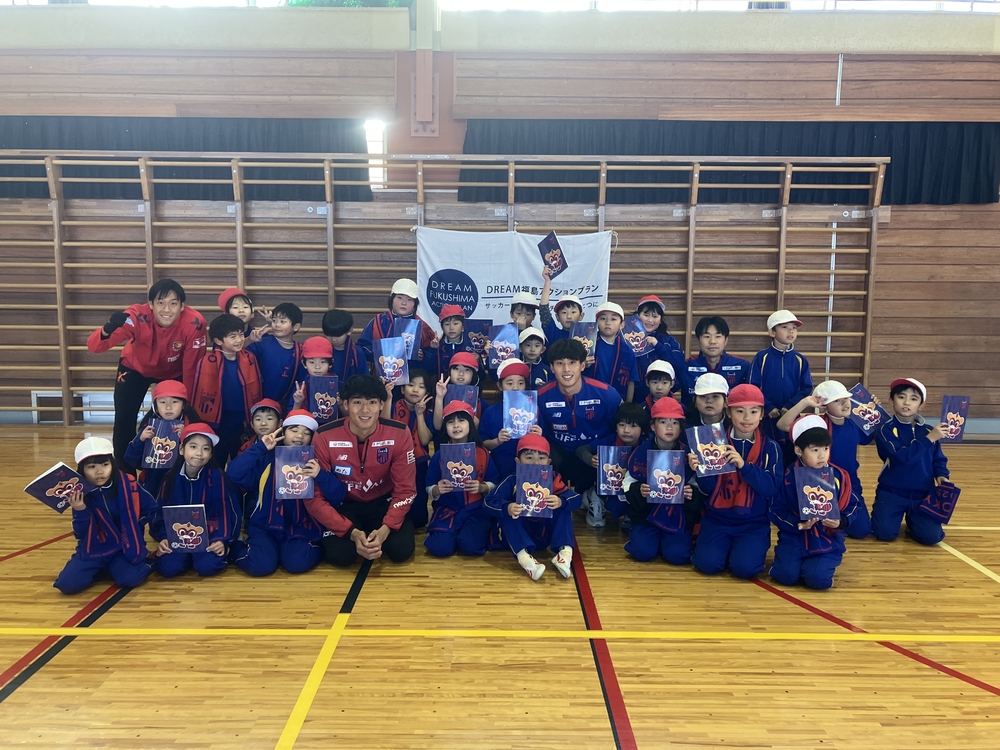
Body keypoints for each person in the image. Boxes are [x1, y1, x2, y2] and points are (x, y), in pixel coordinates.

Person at [86, 278, 207, 469]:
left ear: (182, 306)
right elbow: (95, 347)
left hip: (173, 371)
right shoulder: (135, 316)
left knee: (175, 418)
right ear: (150, 304)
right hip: (135, 367)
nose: (166, 310)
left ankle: (173, 470)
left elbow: (192, 368)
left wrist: (188, 406)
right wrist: (108, 328)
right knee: (124, 419)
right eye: (160, 303)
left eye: (173, 304)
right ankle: (125, 473)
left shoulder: (194, 323)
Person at [305, 374, 417, 567]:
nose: (365, 410)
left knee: (401, 550)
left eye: (372, 402)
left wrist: (385, 529)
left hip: (383, 502)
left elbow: (406, 490)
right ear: (345, 404)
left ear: (381, 404)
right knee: (341, 556)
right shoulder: (324, 436)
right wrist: (352, 533)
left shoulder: (399, 433)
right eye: (357, 402)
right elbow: (314, 496)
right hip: (344, 504)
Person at [690, 384, 783, 580]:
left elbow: (771, 488)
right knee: (707, 565)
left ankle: (740, 550)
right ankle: (720, 548)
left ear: (762, 414)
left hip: (754, 522)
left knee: (745, 569)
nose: (747, 418)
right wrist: (699, 470)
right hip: (717, 519)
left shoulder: (771, 448)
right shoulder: (712, 443)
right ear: (728, 412)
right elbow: (708, 490)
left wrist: (744, 467)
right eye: (740, 411)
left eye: (753, 411)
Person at [228, 410, 327, 577]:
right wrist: (260, 448)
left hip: (299, 526)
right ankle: (238, 545)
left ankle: (287, 551)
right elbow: (234, 474)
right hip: (265, 525)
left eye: (306, 432)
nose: (299, 436)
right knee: (261, 566)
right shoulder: (267, 458)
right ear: (283, 431)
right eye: (294, 430)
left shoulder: (315, 462)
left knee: (297, 563)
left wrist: (321, 475)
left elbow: (337, 494)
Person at [53, 437, 157, 594]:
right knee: (67, 584)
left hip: (123, 547)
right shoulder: (79, 494)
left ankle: (128, 565)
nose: (100, 472)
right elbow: (81, 533)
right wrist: (80, 510)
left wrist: (135, 528)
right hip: (93, 548)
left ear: (112, 464)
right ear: (82, 470)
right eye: (92, 467)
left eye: (105, 465)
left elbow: (151, 508)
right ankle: (104, 568)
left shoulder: (128, 484)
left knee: (131, 578)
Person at [777, 380, 875, 539]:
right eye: (837, 401)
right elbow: (782, 425)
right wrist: (805, 402)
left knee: (862, 530)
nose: (845, 403)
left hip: (848, 483)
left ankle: (836, 521)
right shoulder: (817, 424)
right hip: (819, 483)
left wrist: (873, 407)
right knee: (817, 528)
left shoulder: (855, 424)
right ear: (824, 406)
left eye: (846, 398)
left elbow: (872, 431)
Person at [768, 415, 857, 590]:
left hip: (827, 537)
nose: (822, 455)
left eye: (826, 448)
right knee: (786, 575)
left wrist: (841, 522)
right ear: (798, 450)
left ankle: (819, 568)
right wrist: (798, 524)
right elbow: (776, 509)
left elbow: (854, 504)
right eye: (815, 450)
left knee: (817, 579)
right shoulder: (788, 476)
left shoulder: (840, 476)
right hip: (794, 537)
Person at [483, 434, 582, 581]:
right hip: (518, 537)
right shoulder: (512, 480)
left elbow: (576, 499)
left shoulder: (553, 479)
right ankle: (526, 561)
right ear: (518, 461)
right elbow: (488, 502)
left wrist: (561, 501)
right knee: (509, 514)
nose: (535, 463)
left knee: (563, 507)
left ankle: (564, 555)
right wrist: (507, 507)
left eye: (541, 458)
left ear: (549, 462)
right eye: (529, 457)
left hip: (544, 535)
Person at [536, 338, 623, 503]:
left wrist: (592, 450)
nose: (566, 369)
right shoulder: (539, 396)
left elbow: (621, 431)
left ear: (582, 365)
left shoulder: (607, 394)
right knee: (537, 453)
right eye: (560, 363)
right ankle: (544, 502)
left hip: (593, 452)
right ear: (552, 367)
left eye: (572, 362)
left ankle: (597, 498)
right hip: (560, 453)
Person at [152, 423, 242, 578]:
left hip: (209, 536)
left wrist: (222, 540)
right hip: (178, 537)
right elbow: (159, 514)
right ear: (181, 449)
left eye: (206, 449)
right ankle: (184, 558)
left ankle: (203, 556)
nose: (199, 453)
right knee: (168, 568)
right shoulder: (169, 479)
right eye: (193, 447)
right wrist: (163, 538)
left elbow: (228, 512)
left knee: (207, 566)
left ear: (211, 454)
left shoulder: (218, 477)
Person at [872, 377, 950, 546]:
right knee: (884, 533)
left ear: (921, 405)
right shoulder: (885, 429)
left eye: (914, 399)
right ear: (891, 400)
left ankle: (914, 523)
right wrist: (929, 439)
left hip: (923, 494)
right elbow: (901, 457)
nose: (906, 402)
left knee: (932, 537)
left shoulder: (929, 431)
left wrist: (942, 476)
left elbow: (938, 459)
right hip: (892, 492)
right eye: (901, 397)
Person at [622, 398, 695, 565]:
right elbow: (628, 482)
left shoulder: (688, 453)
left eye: (675, 423)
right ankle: (642, 538)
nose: (669, 427)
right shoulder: (641, 452)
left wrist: (692, 492)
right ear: (653, 426)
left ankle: (667, 543)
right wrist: (639, 490)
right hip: (647, 516)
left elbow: (696, 483)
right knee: (642, 552)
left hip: (678, 515)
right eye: (663, 422)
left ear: (681, 427)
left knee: (677, 556)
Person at [424, 402, 499, 558]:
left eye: (461, 420)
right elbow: (429, 484)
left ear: (470, 424)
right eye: (450, 422)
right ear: (445, 427)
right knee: (440, 548)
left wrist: (482, 487)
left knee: (470, 546)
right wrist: (437, 490)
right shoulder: (439, 455)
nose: (456, 425)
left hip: (476, 510)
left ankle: (468, 534)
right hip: (448, 508)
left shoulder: (483, 453)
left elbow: (493, 481)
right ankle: (449, 535)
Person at [190, 313, 262, 463]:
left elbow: (256, 386)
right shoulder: (207, 361)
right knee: (217, 460)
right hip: (218, 420)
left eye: (241, 334)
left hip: (242, 418)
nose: (239, 339)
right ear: (218, 340)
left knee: (241, 459)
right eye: (233, 336)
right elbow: (199, 392)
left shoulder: (249, 358)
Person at [748, 310, 813, 458]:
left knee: (792, 451)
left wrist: (791, 406)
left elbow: (806, 388)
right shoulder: (761, 357)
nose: (791, 331)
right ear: (772, 332)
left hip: (792, 415)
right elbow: (752, 386)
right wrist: (767, 406)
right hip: (767, 417)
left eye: (794, 328)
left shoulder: (800, 359)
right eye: (784, 327)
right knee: (768, 450)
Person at [578, 402, 649, 528]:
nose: (626, 430)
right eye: (621, 425)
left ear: (643, 430)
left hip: (635, 490)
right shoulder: (611, 440)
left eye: (633, 426)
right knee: (614, 505)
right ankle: (593, 495)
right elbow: (581, 449)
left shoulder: (647, 445)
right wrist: (590, 459)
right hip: (611, 487)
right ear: (615, 427)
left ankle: (632, 513)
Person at [123, 379, 198, 498]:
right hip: (153, 485)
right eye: (162, 402)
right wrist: (140, 440)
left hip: (183, 485)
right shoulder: (149, 429)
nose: (168, 407)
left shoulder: (194, 427)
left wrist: (187, 438)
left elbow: (201, 461)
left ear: (184, 405)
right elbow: (131, 459)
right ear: (155, 406)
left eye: (175, 402)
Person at [480, 359, 545, 481]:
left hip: (529, 464)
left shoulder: (534, 410)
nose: (515, 388)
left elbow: (544, 444)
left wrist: (539, 436)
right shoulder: (491, 412)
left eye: (520, 383)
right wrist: (497, 441)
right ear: (500, 386)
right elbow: (483, 444)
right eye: (509, 383)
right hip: (501, 464)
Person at [389, 369, 435, 529]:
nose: (415, 390)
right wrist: (388, 398)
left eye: (421, 387)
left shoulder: (428, 413)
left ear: (426, 393)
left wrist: (420, 414)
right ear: (402, 389)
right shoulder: (393, 407)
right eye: (411, 385)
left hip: (418, 462)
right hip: (393, 461)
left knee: (418, 501)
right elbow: (385, 428)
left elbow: (425, 439)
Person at [358, 278, 435, 372]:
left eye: (409, 299)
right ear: (392, 299)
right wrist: (380, 352)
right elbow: (363, 347)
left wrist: (423, 355)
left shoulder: (423, 327)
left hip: (413, 377)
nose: (404, 303)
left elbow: (433, 355)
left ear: (415, 304)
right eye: (399, 298)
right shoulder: (378, 322)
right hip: (383, 376)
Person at [680, 316, 750, 405]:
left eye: (718, 336)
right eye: (707, 336)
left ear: (726, 340)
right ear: (698, 340)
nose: (712, 341)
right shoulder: (685, 367)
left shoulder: (742, 366)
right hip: (693, 414)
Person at [631, 295, 685, 404]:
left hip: (664, 399)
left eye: (655, 316)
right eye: (646, 315)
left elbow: (679, 364)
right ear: (637, 316)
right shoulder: (627, 340)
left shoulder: (669, 341)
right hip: (634, 399)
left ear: (660, 320)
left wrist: (658, 346)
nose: (650, 320)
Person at [246, 302, 303, 405]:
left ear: (296, 326)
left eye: (282, 321)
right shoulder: (262, 343)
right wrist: (249, 340)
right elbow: (238, 353)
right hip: (259, 404)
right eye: (274, 320)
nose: (277, 325)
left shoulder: (300, 350)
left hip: (285, 405)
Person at [587, 301, 638, 402]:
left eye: (613, 319)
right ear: (596, 322)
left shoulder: (627, 351)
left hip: (617, 401)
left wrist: (627, 405)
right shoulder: (588, 344)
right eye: (603, 318)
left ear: (622, 324)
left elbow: (631, 381)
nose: (607, 322)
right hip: (590, 398)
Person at [432, 351, 487, 430]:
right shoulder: (442, 396)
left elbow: (484, 432)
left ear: (473, 375)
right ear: (449, 372)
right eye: (456, 369)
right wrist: (439, 397)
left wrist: (477, 425)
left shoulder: (481, 403)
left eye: (467, 370)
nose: (461, 373)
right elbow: (438, 426)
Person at [424, 304, 479, 378]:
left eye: (455, 323)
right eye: (447, 324)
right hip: (442, 385)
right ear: (442, 328)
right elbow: (429, 371)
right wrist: (433, 350)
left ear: (463, 326)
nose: (451, 328)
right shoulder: (438, 346)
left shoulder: (472, 346)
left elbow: (481, 377)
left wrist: (478, 361)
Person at [289, 336, 336, 419]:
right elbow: (291, 419)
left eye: (322, 362)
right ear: (304, 364)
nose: (317, 367)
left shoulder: (338, 385)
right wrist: (298, 403)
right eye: (311, 362)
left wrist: (341, 404)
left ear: (330, 363)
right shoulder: (300, 388)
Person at [538, 266, 583, 343]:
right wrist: (547, 281)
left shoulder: (588, 336)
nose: (569, 316)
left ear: (581, 316)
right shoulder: (554, 334)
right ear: (557, 317)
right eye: (564, 312)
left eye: (573, 312)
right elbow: (544, 310)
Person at [321, 308, 366, 382]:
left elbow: (365, 379)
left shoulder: (357, 352)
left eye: (338, 335)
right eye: (329, 335)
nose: (333, 339)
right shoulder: (320, 350)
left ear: (349, 331)